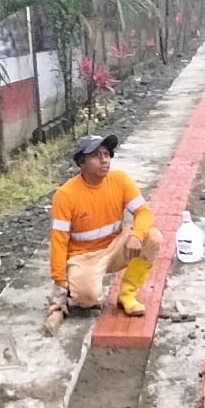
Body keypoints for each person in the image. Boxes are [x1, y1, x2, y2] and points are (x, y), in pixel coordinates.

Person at [46, 134, 161, 327]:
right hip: (83, 257)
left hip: (114, 248)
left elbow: (143, 212)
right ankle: (76, 287)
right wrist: (60, 283)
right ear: (81, 163)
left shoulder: (120, 180)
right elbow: (58, 241)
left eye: (106, 154)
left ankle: (127, 295)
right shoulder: (66, 195)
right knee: (88, 298)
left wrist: (136, 235)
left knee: (152, 237)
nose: (104, 160)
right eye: (96, 155)